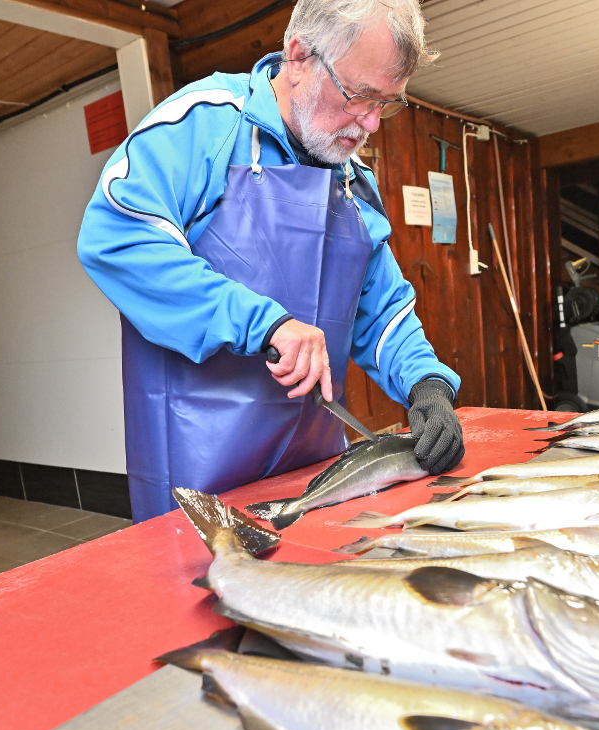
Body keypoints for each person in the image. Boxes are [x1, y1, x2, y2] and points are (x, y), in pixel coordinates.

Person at [77, 0, 463, 523]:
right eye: (358, 96)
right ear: (299, 56)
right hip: (197, 472)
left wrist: (427, 384)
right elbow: (118, 237)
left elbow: (384, 312)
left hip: (315, 471)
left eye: (387, 103)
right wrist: (264, 324)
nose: (370, 123)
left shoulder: (352, 181)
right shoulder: (205, 123)